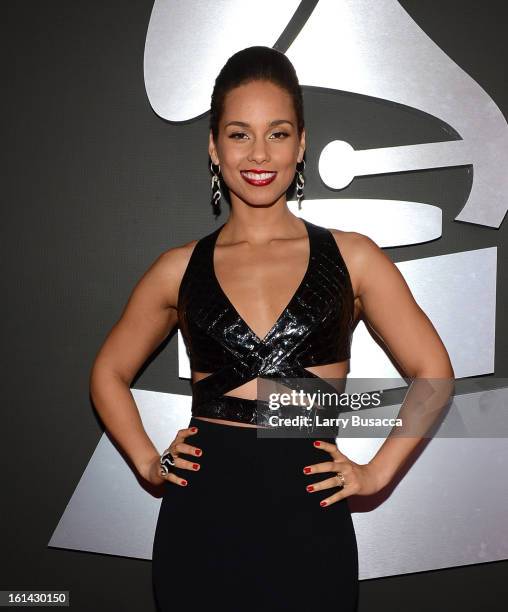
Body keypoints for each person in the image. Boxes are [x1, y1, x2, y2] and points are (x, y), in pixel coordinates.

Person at [89, 46, 454, 611]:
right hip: (200, 522)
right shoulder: (176, 268)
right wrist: (147, 460)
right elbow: (108, 372)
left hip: (310, 522)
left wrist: (375, 474)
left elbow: (434, 373)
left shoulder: (354, 258)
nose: (259, 153)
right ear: (213, 146)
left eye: (277, 134)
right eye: (239, 134)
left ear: (302, 142)